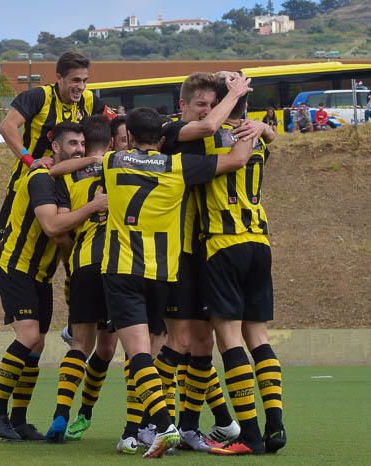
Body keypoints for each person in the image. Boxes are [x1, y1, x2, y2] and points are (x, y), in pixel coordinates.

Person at [101, 107, 254, 458]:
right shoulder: (178, 166)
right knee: (158, 348)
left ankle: (163, 425)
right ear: (164, 137)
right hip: (163, 274)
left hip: (122, 269)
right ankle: (162, 426)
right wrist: (248, 125)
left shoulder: (113, 161)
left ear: (130, 136)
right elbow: (236, 160)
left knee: (139, 353)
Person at [0, 52, 112, 372]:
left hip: (65, 188)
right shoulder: (37, 97)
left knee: (69, 250)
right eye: (75, 81)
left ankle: (74, 322)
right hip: (26, 188)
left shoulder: (89, 102)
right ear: (59, 78)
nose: (80, 87)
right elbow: (7, 126)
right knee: (4, 257)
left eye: (85, 81)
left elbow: (108, 122)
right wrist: (31, 161)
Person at [159, 71, 274, 451]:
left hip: (211, 249)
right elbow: (226, 138)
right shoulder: (173, 133)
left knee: (204, 342)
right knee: (180, 340)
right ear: (183, 107)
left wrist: (258, 126)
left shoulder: (219, 137)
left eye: (213, 103)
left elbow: (242, 137)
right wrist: (247, 113)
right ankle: (147, 422)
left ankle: (189, 426)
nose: (209, 112)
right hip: (181, 252)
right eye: (201, 105)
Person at [0, 122, 107, 442]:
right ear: (54, 147)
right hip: (17, 267)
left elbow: (65, 239)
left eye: (83, 144)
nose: (79, 148)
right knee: (28, 337)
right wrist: (94, 206)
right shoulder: (41, 177)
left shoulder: (63, 182)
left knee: (37, 343)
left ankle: (19, 419)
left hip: (41, 275)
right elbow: (53, 226)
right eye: (73, 143)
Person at [202, 75, 286, 457]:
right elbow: (272, 142)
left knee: (229, 338)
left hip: (223, 245)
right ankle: (276, 424)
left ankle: (249, 434)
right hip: (259, 243)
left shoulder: (205, 139)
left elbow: (202, 128)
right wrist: (266, 127)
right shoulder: (255, 138)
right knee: (260, 336)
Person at [44, 116, 119, 443]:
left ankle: (60, 413)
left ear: (84, 145)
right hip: (119, 264)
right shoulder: (122, 166)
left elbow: (59, 231)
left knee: (79, 344)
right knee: (108, 347)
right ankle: (86, 413)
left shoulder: (68, 175)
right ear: (114, 142)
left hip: (84, 263)